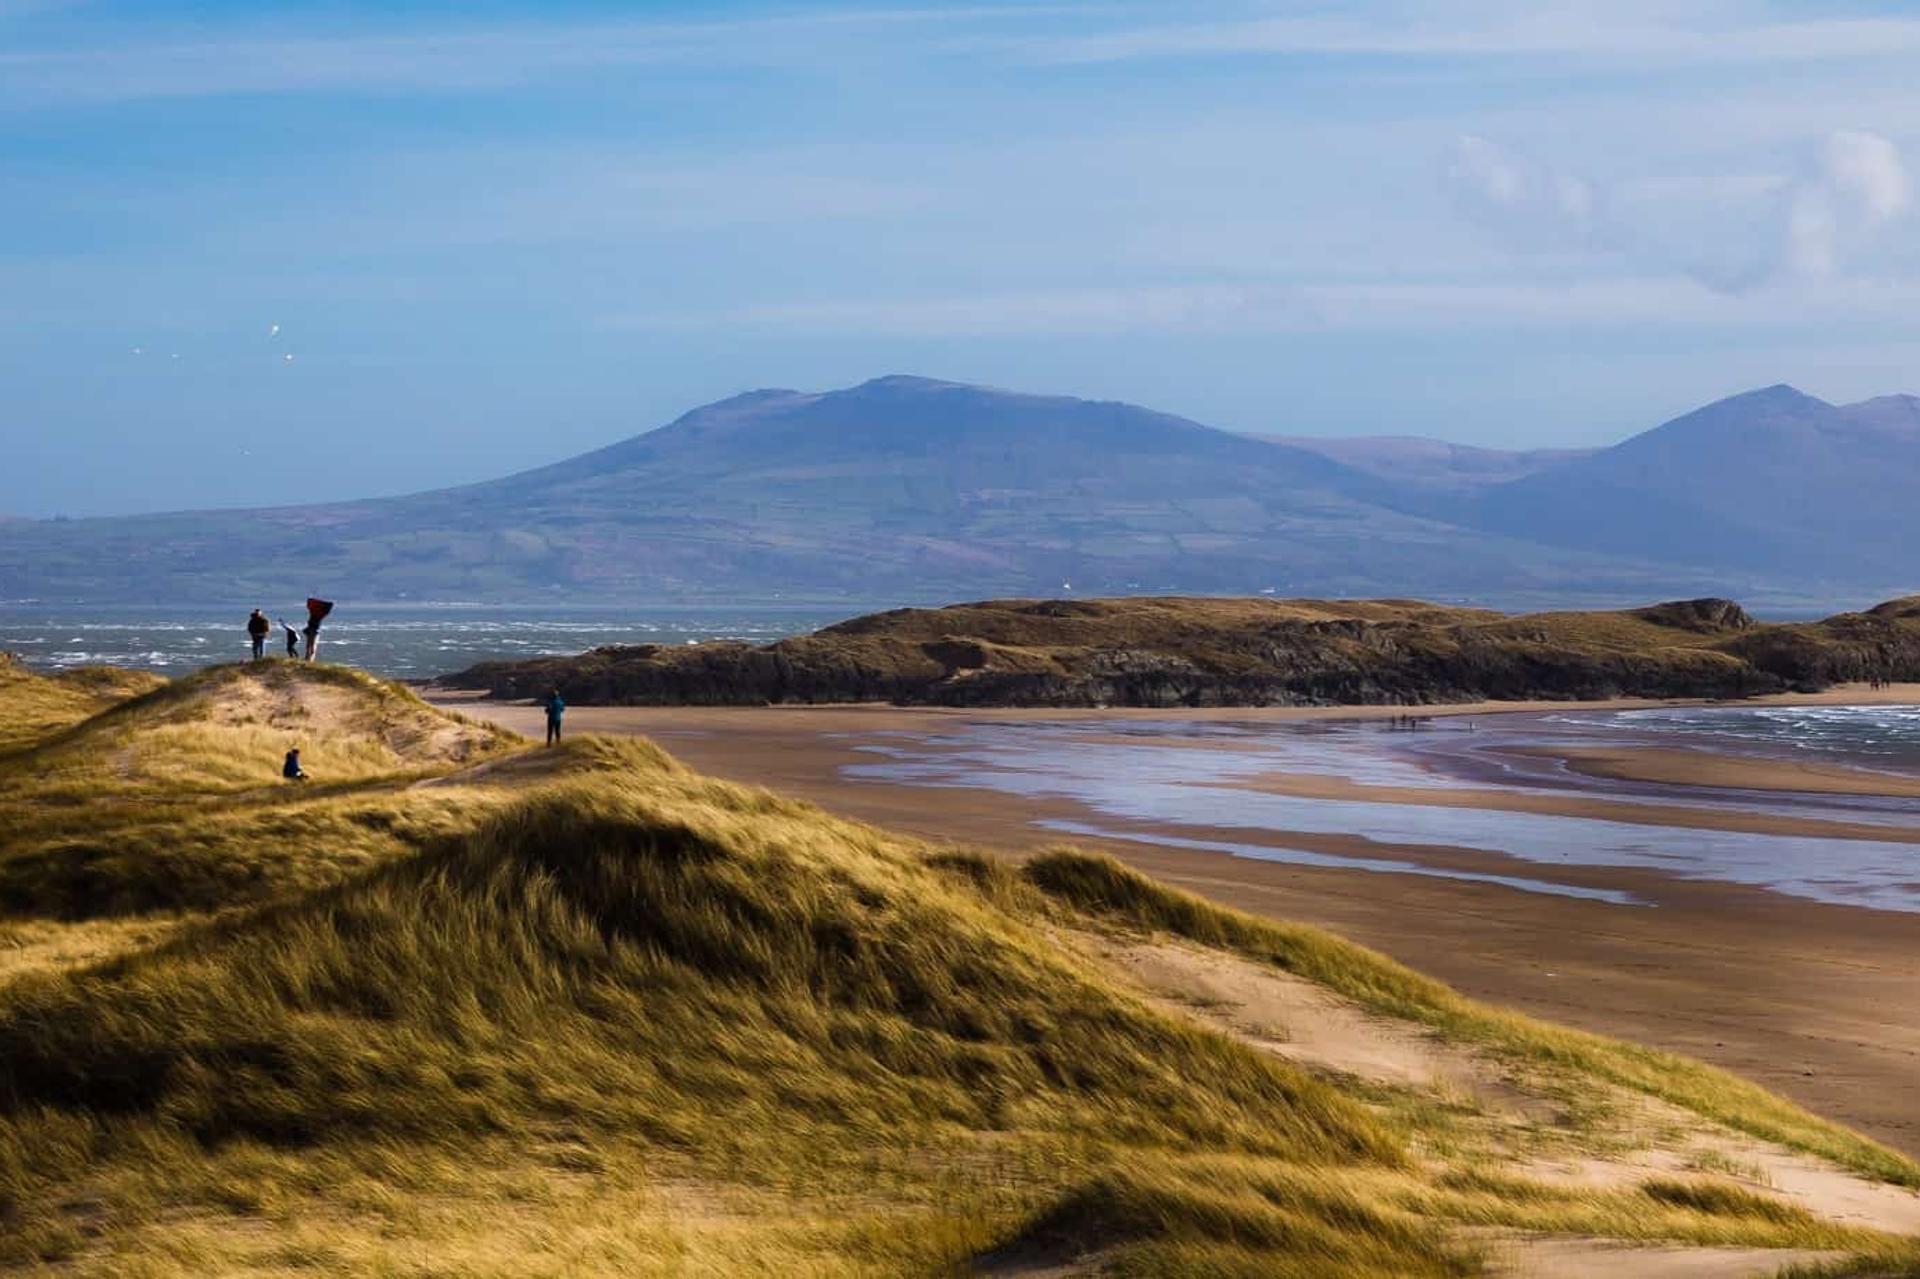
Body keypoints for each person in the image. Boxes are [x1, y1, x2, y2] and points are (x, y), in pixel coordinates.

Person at [301, 597, 334, 661]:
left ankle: (307, 659)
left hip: (310, 630)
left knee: (309, 646)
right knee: (312, 647)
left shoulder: (313, 613)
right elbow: (329, 606)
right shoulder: (319, 615)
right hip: (314, 631)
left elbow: (309, 604)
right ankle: (309, 660)